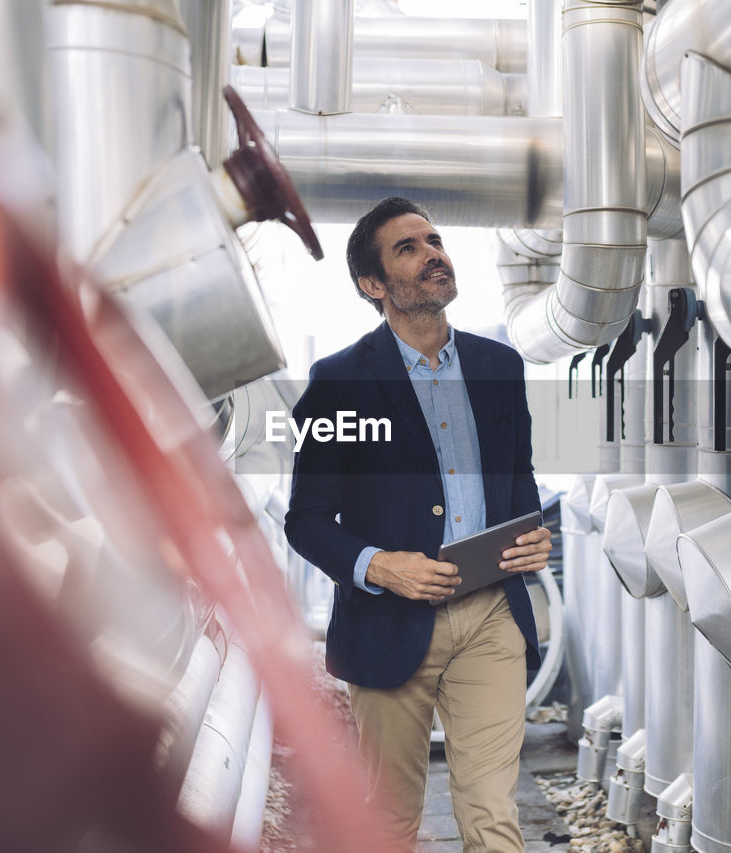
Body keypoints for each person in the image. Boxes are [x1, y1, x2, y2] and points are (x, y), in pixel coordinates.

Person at [284, 197, 553, 852]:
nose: (434, 252)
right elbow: (306, 521)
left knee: (493, 813)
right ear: (373, 286)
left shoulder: (500, 366)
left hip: (491, 615)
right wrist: (380, 564)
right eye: (408, 247)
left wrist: (533, 535)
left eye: (434, 239)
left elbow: (517, 481)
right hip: (389, 623)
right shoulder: (337, 381)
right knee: (390, 821)